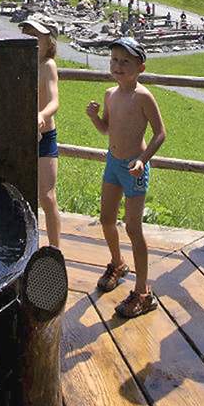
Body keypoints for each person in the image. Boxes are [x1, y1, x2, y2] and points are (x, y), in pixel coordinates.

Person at [84, 36, 167, 317]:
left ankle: (143, 292)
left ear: (140, 67)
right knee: (106, 219)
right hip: (113, 164)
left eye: (125, 61)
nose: (118, 66)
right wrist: (94, 117)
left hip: (134, 168)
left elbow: (160, 133)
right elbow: (107, 129)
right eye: (114, 60)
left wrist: (143, 160)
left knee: (133, 228)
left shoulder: (143, 96)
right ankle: (118, 263)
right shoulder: (110, 94)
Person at [21, 17, 61, 248]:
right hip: (22, 136)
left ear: (48, 41)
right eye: (27, 33)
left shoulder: (48, 65)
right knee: (21, 195)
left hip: (44, 136)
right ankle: (26, 247)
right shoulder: (19, 61)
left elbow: (54, 101)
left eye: (36, 35)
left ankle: (55, 250)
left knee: (46, 196)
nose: (31, 39)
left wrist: (41, 115)